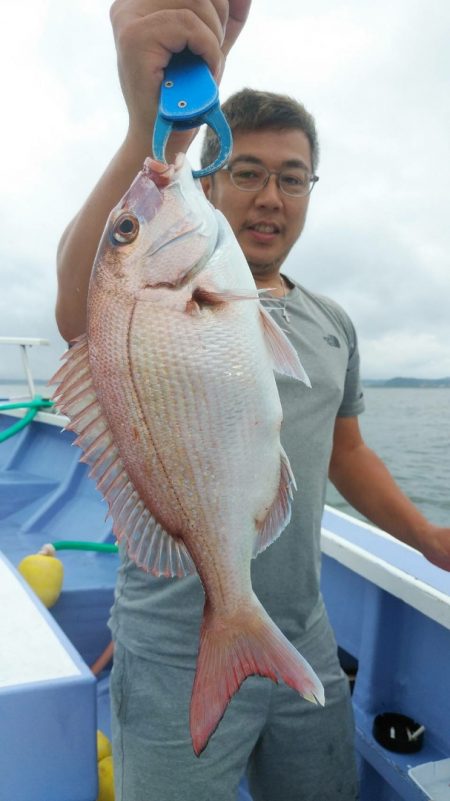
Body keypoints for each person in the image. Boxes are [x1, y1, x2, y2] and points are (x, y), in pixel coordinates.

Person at [55, 2, 450, 800]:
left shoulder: (332, 323)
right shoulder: (148, 299)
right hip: (170, 646)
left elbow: (346, 452)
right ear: (209, 177)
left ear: (309, 190)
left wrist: (427, 536)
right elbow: (80, 306)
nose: (271, 195)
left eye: (291, 177)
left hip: (303, 628)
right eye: (247, 171)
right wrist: (155, 126)